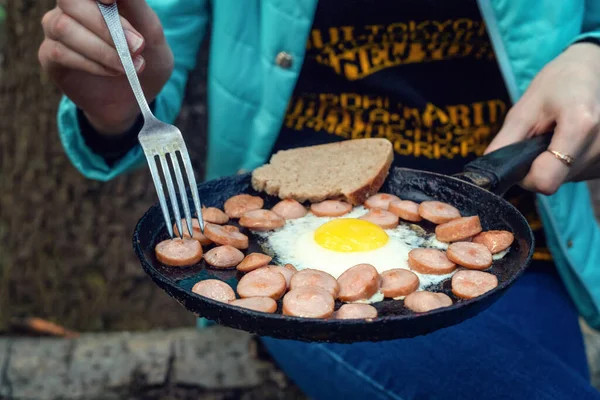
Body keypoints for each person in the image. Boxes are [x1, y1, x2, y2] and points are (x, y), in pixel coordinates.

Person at [39, 0, 600, 398]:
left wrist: (593, 53)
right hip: (283, 255)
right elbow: (149, 39)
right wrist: (121, 97)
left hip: (506, 249)